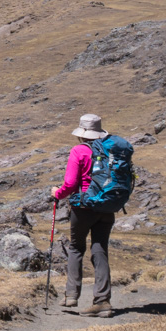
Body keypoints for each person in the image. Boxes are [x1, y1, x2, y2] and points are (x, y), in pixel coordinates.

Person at [52, 113, 115, 316]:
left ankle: (71, 295)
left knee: (76, 247)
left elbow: (70, 184)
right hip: (106, 207)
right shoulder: (111, 150)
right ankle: (103, 301)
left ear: (82, 133)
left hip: (83, 207)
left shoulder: (78, 151)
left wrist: (57, 193)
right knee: (100, 249)